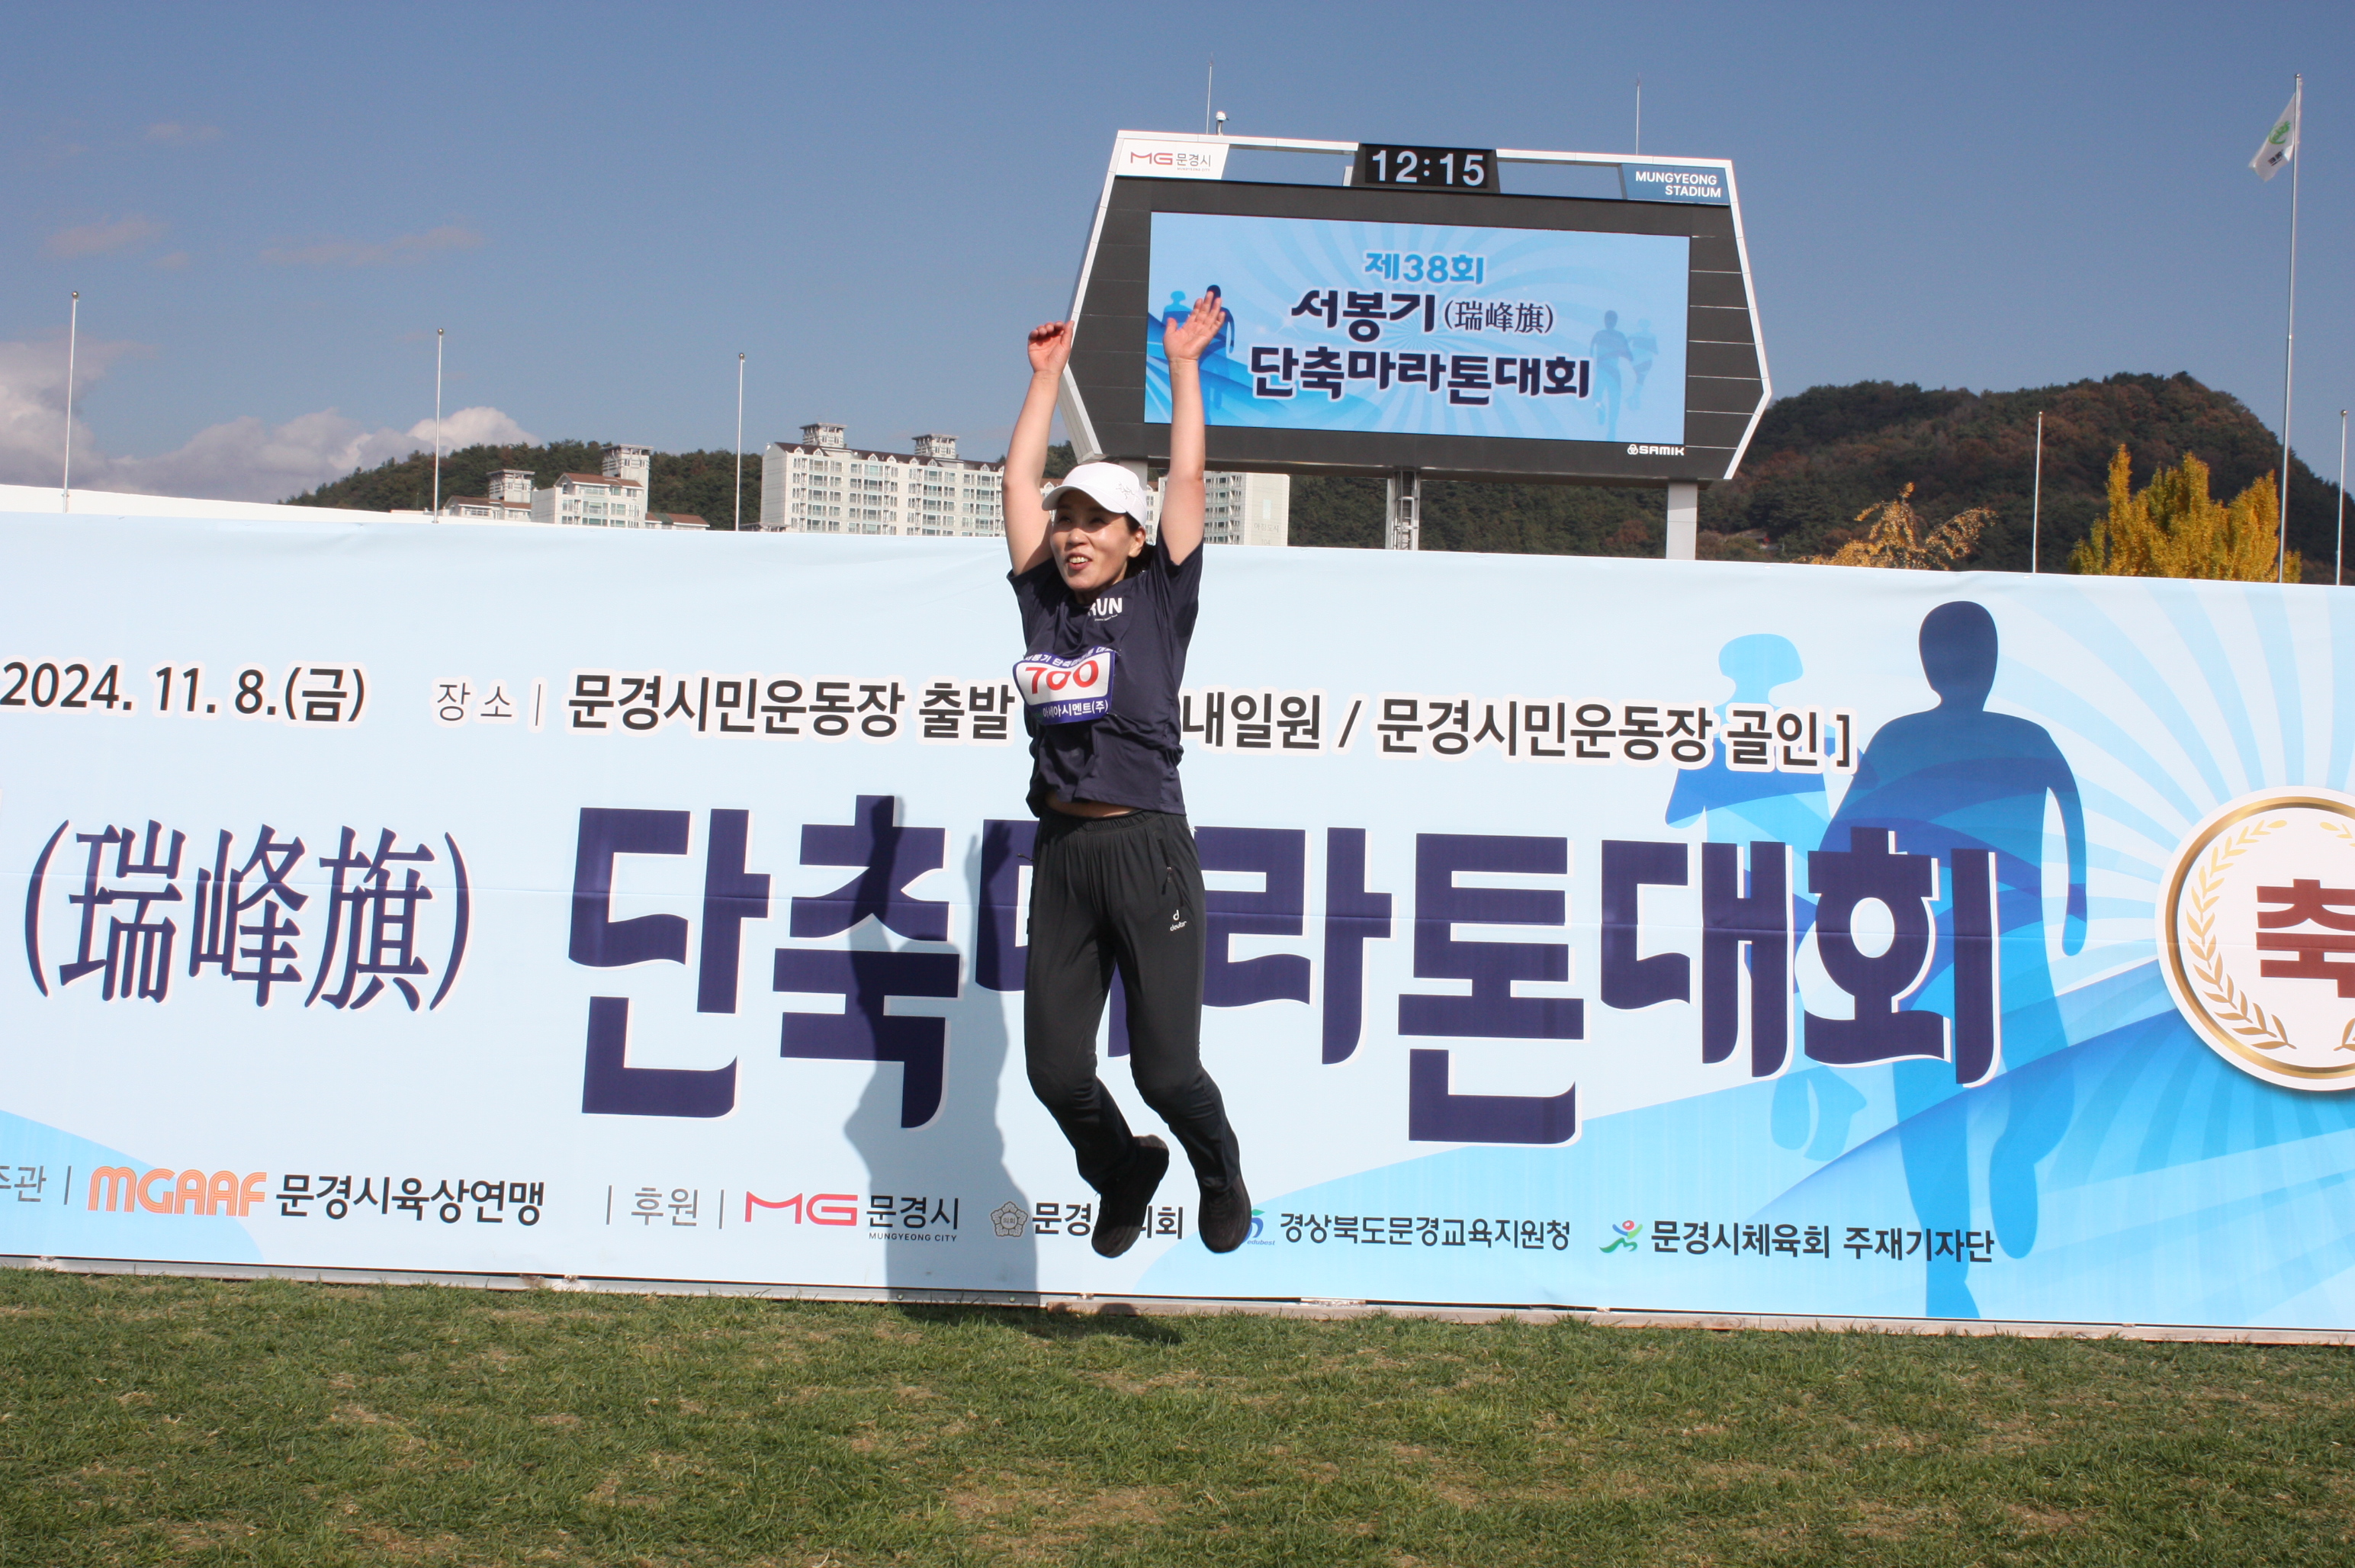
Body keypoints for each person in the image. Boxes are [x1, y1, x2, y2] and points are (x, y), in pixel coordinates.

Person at [999, 289, 1251, 1258]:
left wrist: (1185, 365)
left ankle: (1217, 1170)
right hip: (1064, 853)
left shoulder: (1159, 596)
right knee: (1056, 1073)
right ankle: (1123, 1168)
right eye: (1065, 519)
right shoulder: (1044, 606)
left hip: (1147, 850)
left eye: (1096, 521)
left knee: (1165, 1072)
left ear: (1134, 537)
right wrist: (1043, 380)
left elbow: (1185, 474)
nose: (1073, 534)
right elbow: (1016, 483)